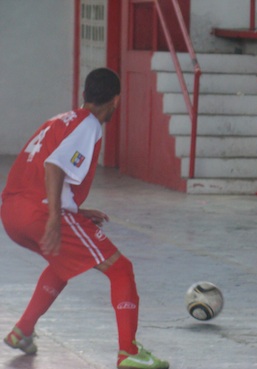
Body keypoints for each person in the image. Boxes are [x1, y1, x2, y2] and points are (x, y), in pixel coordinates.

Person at [1, 68, 169, 369]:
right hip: (39, 212)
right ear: (116, 99)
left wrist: (71, 211)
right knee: (121, 269)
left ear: (85, 94)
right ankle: (128, 351)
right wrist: (55, 216)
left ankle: (22, 332)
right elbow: (53, 167)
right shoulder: (89, 125)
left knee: (64, 263)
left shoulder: (60, 120)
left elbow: (44, 168)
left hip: (12, 212)